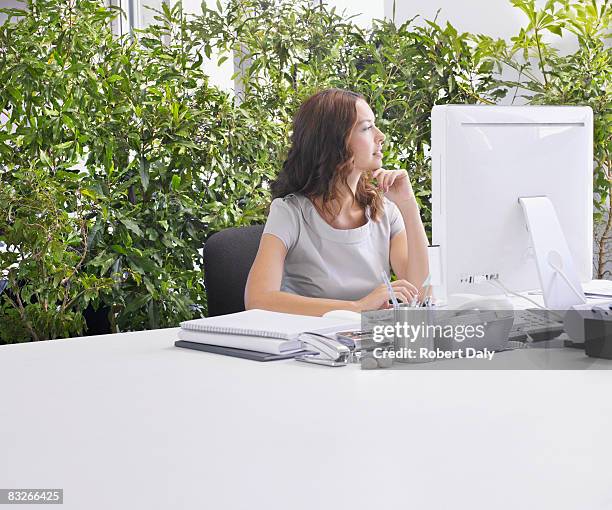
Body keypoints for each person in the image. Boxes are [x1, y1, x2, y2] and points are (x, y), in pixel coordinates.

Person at [244, 88, 430, 316]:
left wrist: (408, 205)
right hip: (308, 345)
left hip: (366, 343)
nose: (380, 136)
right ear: (334, 141)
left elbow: (421, 295)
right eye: (366, 127)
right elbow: (258, 299)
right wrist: (358, 307)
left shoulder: (385, 211)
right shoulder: (290, 213)